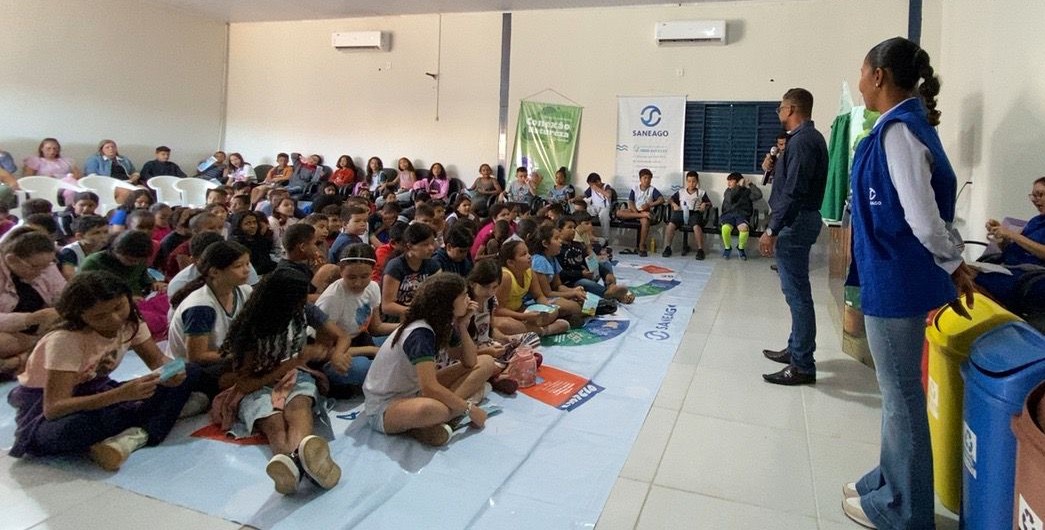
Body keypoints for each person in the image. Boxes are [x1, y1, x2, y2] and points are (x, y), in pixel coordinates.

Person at [837, 37, 978, 529]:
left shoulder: (899, 132)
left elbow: (922, 218)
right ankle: (886, 481)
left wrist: (954, 263)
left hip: (898, 280)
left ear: (879, 76)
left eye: (862, 72)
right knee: (895, 395)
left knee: (901, 399)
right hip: (891, 274)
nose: (859, 83)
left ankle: (904, 511)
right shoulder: (899, 127)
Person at [6, 271, 193, 471]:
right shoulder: (65, 339)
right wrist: (119, 395)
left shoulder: (131, 322)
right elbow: (54, 408)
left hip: (99, 392)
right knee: (74, 429)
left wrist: (172, 371)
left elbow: (157, 360)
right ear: (80, 316)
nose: (115, 319)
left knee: (191, 371)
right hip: (46, 408)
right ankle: (143, 428)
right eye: (99, 316)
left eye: (119, 307)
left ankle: (135, 431)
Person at [216, 267, 344, 494]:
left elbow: (338, 334)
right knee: (274, 423)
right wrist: (295, 361)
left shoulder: (304, 310)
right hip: (259, 380)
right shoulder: (252, 328)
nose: (304, 301)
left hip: (295, 374)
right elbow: (245, 384)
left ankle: (293, 464)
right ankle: (298, 464)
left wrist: (334, 353)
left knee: (299, 407)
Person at [362, 272, 498, 446]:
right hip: (385, 407)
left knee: (486, 362)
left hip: (414, 391)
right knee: (433, 409)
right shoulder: (420, 332)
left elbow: (470, 362)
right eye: (464, 296)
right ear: (447, 303)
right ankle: (440, 417)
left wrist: (462, 326)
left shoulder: (443, 324)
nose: (468, 299)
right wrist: (469, 409)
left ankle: (428, 424)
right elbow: (429, 388)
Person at [758, 88, 828, 387]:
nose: (779, 112)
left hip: (796, 222)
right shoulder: (805, 139)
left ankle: (802, 364)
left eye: (781, 108)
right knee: (796, 292)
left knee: (797, 295)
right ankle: (795, 348)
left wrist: (772, 229)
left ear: (791, 109)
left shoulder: (802, 142)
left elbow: (794, 191)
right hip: (798, 219)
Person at [167, 241, 252, 397]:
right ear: (214, 272)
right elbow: (196, 356)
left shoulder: (244, 291)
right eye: (238, 266)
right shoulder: (200, 306)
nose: (247, 270)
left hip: (223, 358)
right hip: (189, 371)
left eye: (248, 264)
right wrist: (241, 354)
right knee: (257, 374)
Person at [316, 244, 398, 396]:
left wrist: (404, 326)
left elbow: (376, 327)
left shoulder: (373, 287)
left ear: (372, 271)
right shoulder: (332, 298)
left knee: (403, 341)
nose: (358, 283)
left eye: (364, 276)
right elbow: (323, 351)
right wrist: (371, 350)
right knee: (367, 367)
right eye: (351, 277)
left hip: (361, 340)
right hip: (334, 354)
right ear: (341, 270)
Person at [0, 228, 66, 380]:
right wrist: (30, 319)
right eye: (35, 267)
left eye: (47, 266)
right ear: (11, 259)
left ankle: (18, 361)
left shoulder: (47, 267)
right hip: (12, 331)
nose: (42, 272)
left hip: (41, 330)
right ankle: (34, 353)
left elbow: (64, 296)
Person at [975, 176, 1045, 308]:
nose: (1036, 200)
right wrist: (1002, 236)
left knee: (968, 279)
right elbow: (1014, 248)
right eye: (1033, 196)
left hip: (1031, 276)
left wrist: (1011, 234)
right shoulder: (1035, 221)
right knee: (961, 272)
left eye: (1040, 194)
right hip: (1009, 266)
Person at [496, 240, 570, 337]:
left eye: (528, 252)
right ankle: (544, 331)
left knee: (554, 311)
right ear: (510, 262)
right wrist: (523, 316)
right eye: (523, 254)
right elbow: (498, 310)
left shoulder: (530, 272)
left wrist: (547, 307)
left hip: (520, 311)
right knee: (504, 324)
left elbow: (539, 296)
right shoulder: (506, 277)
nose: (529, 256)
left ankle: (528, 330)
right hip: (505, 315)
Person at [382, 223, 441, 319]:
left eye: (432, 243)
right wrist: (417, 313)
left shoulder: (433, 266)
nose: (431, 248)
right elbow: (387, 306)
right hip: (398, 318)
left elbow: (436, 296)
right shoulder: (395, 267)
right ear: (409, 246)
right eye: (425, 244)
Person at [662, 171, 712, 260]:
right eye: (689, 181)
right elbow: (670, 199)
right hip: (681, 212)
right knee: (670, 225)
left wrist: (704, 204)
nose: (691, 184)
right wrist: (674, 204)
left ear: (697, 182)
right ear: (686, 181)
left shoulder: (701, 192)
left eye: (693, 181)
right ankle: (668, 247)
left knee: (696, 227)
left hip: (694, 213)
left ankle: (700, 250)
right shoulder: (681, 192)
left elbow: (709, 203)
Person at [617, 168, 664, 257]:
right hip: (635, 211)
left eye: (649, 178)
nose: (647, 180)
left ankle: (641, 245)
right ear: (640, 179)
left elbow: (661, 199)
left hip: (646, 212)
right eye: (645, 178)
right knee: (619, 212)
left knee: (645, 221)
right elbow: (631, 202)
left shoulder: (652, 189)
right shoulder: (635, 188)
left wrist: (650, 204)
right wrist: (636, 212)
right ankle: (640, 215)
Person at [22, 138, 82, 205]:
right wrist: (45, 178)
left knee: (71, 189)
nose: (52, 151)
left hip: (65, 184)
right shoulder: (36, 161)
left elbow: (77, 175)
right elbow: (28, 178)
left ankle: (70, 207)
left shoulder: (66, 161)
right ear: (42, 149)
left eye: (55, 148)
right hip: (45, 185)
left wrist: (70, 177)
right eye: (48, 148)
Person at [719, 172, 763, 260]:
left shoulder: (747, 192)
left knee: (744, 228)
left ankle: (740, 248)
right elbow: (731, 198)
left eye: (731, 181)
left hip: (742, 215)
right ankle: (727, 248)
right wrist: (738, 187)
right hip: (729, 215)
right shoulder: (728, 191)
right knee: (725, 228)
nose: (728, 183)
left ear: (738, 181)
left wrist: (750, 184)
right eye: (728, 181)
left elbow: (758, 195)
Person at [57, 215, 109, 280]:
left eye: (106, 232)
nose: (103, 236)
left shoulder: (107, 248)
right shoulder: (69, 251)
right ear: (80, 236)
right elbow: (69, 275)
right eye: (96, 233)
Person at [583, 172, 615, 240]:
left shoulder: (606, 186)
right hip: (595, 207)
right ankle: (586, 236)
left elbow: (608, 195)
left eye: (592, 185)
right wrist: (574, 199)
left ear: (598, 181)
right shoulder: (591, 188)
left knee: (604, 216)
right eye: (590, 185)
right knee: (585, 212)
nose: (591, 187)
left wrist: (598, 189)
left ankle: (606, 238)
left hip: (604, 207)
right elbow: (584, 196)